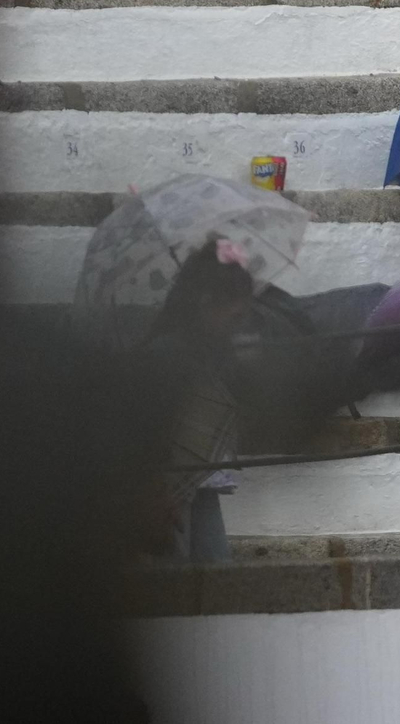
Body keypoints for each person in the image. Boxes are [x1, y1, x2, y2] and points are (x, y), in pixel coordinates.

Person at [144, 238, 256, 563]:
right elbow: (148, 430)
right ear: (207, 303)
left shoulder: (210, 352)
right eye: (234, 318)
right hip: (164, 490)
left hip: (200, 480)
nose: (238, 326)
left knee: (217, 570)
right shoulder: (166, 355)